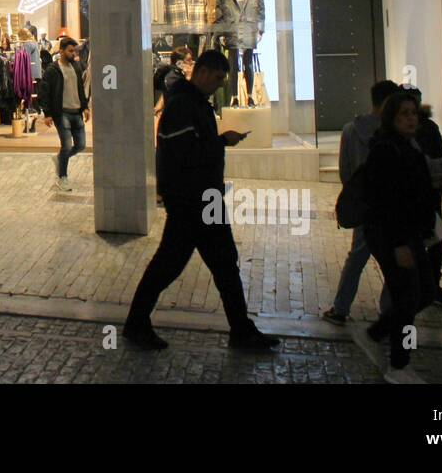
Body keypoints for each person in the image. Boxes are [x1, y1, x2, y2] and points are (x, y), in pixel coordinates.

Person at [124, 50, 277, 351]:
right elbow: (185, 154)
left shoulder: (190, 102)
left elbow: (190, 149)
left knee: (220, 263)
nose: (220, 85)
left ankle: (240, 329)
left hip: (201, 198)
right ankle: (136, 323)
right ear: (204, 72)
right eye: (219, 78)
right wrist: (221, 141)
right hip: (191, 200)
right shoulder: (183, 105)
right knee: (173, 265)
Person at [362, 91, 438, 383]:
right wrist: (398, 244)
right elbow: (384, 201)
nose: (410, 118)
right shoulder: (386, 150)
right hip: (393, 234)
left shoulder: (409, 147)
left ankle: (378, 332)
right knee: (408, 298)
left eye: (413, 113)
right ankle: (399, 363)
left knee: (424, 292)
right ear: (391, 118)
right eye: (404, 113)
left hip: (410, 232)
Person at [321, 79, 400, 325]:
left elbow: (345, 170)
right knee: (392, 260)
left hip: (364, 205)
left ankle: (341, 308)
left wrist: (354, 196)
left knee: (356, 257)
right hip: (391, 206)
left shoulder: (350, 130)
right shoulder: (393, 132)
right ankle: (387, 311)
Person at [407, 85, 442, 309]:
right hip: (418, 200)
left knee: (434, 243)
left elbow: (434, 160)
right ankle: (424, 289)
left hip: (427, 199)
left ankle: (428, 288)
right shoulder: (402, 135)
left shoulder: (426, 129)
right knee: (425, 245)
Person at [41, 37, 90, 191]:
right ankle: (62, 177)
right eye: (70, 51)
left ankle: (60, 159)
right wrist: (47, 113)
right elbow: (44, 92)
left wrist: (85, 107)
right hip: (61, 113)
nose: (73, 54)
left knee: (81, 145)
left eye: (74, 51)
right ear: (61, 51)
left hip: (76, 112)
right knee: (67, 145)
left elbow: (80, 89)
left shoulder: (76, 67)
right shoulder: (52, 70)